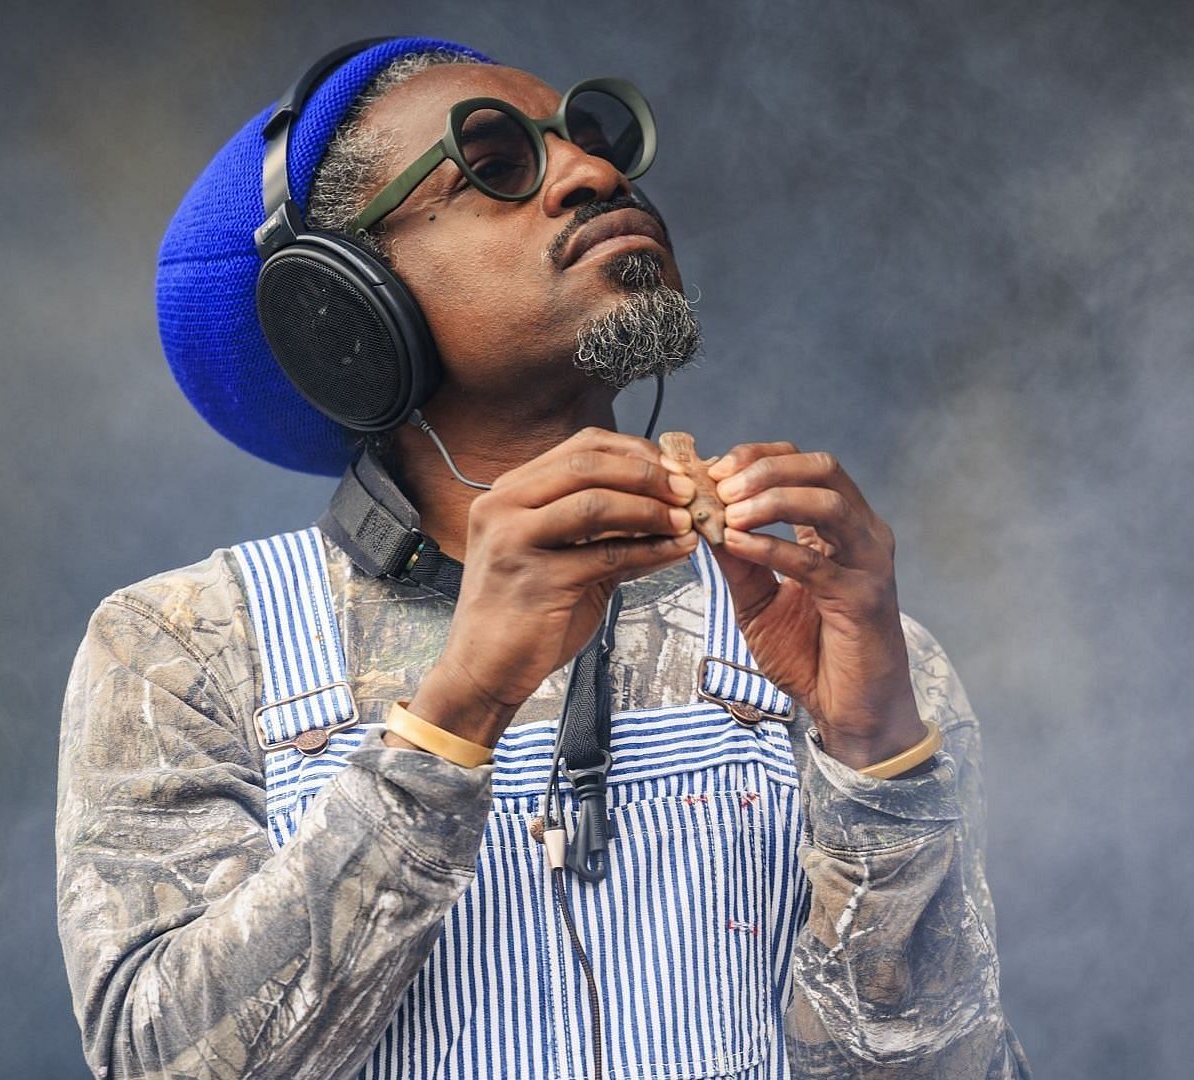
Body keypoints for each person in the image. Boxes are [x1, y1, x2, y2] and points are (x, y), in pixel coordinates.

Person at [55, 34, 1032, 1080]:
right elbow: (165, 1066)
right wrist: (455, 715)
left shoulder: (841, 636)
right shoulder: (186, 648)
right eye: (497, 163)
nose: (597, 172)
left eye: (595, 141)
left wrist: (876, 756)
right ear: (345, 304)